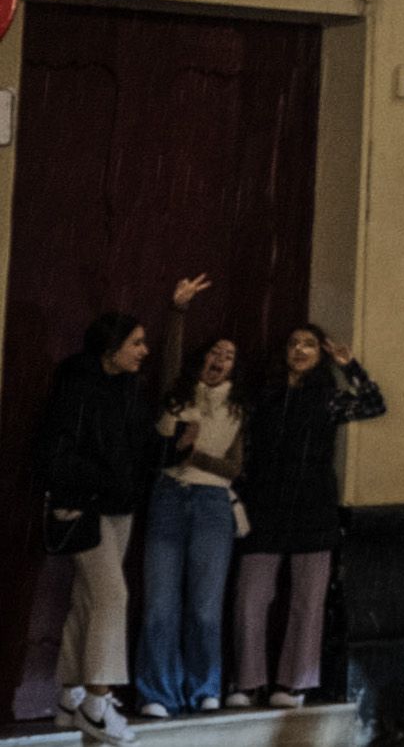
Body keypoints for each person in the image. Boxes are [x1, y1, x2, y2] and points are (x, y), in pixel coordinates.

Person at [37, 281, 196, 745]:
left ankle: (70, 696)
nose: (144, 351)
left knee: (89, 600)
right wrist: (101, 481)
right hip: (82, 507)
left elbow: (143, 450)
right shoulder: (76, 386)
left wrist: (172, 449)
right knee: (112, 597)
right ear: (111, 348)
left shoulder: (129, 391)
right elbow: (55, 453)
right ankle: (98, 704)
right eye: (137, 343)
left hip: (118, 508)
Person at [231, 324, 386, 707]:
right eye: (294, 343)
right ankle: (247, 681)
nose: (300, 350)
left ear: (320, 355)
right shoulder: (263, 397)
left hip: (314, 506)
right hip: (264, 505)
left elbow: (373, 404)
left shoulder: (327, 399)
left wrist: (350, 366)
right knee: (251, 596)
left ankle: (294, 682)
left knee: (308, 600)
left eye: (309, 345)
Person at [137, 284, 245, 718]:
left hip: (213, 506)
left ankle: (205, 688)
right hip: (167, 497)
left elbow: (235, 470)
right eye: (215, 353)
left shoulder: (238, 410)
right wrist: (177, 310)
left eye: (229, 356)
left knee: (204, 608)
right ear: (203, 357)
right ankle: (157, 693)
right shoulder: (176, 393)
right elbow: (170, 356)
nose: (219, 361)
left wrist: (192, 453)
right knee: (160, 605)